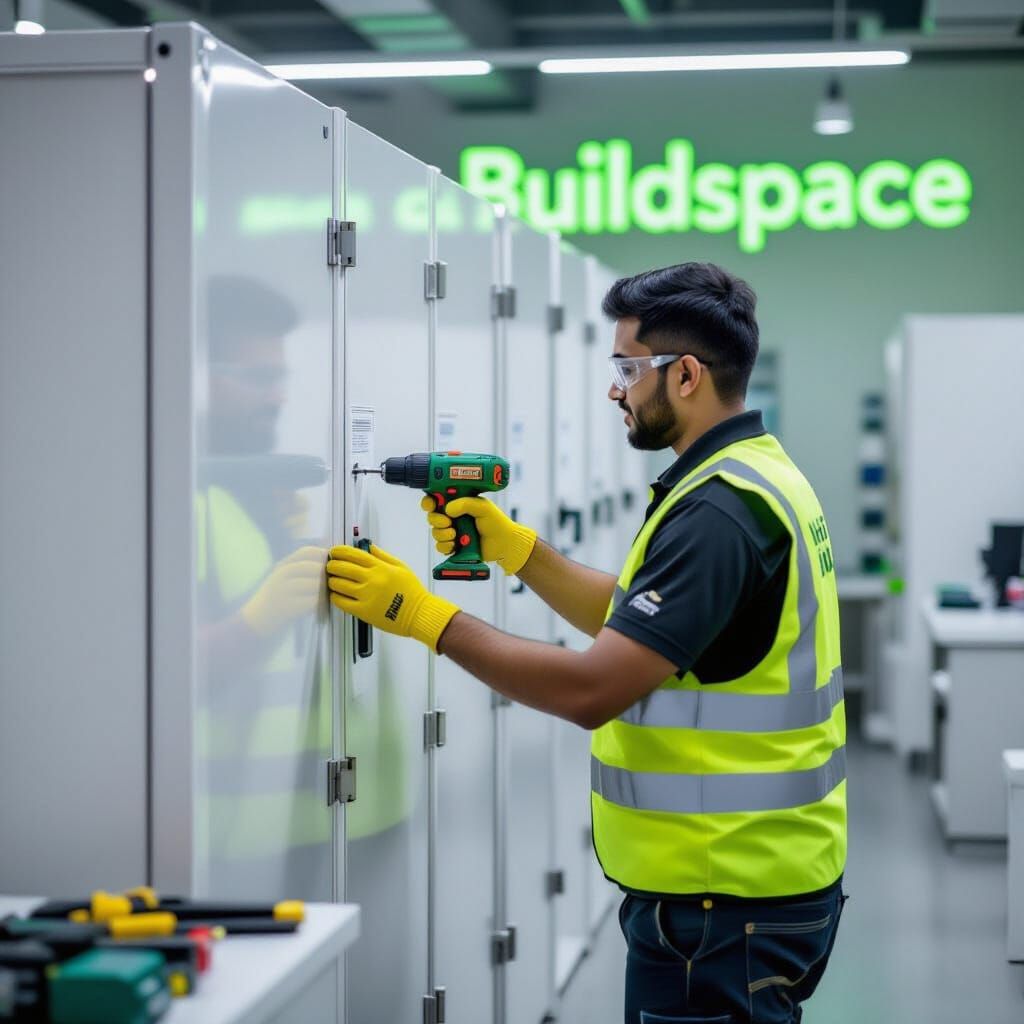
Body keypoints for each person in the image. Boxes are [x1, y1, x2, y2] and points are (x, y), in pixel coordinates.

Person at [326, 261, 847, 1023]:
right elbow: (645, 621)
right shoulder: (756, 476)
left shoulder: (718, 514)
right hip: (754, 879)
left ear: (687, 375)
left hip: (724, 897)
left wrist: (423, 616)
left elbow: (592, 689)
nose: (615, 390)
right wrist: (517, 550)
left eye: (628, 369)